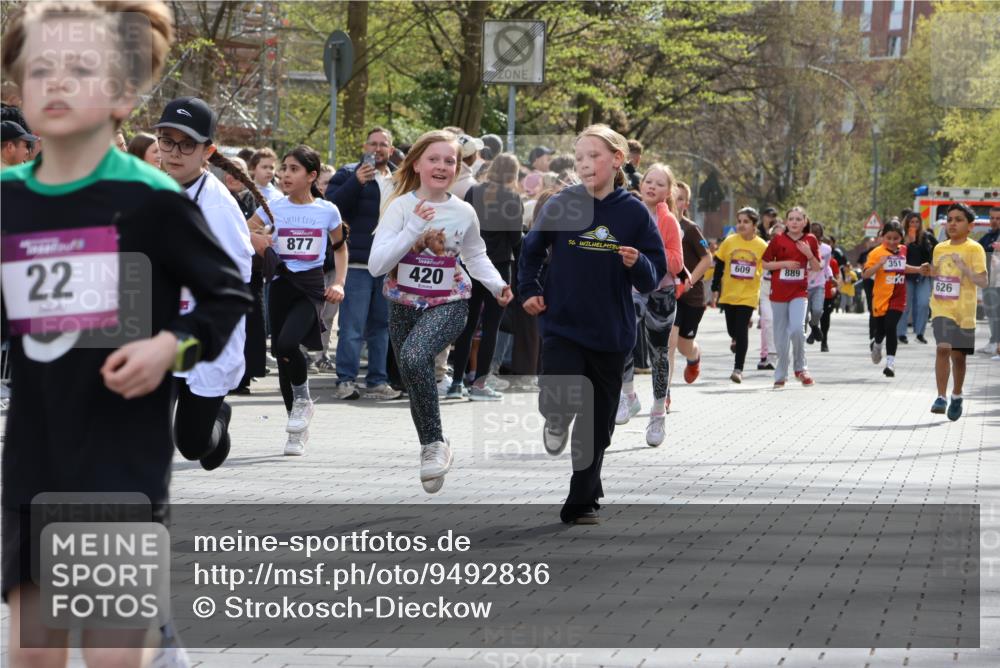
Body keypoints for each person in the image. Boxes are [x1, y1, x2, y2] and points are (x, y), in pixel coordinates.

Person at [0, 3, 251, 665]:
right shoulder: (8, 199)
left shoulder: (150, 200)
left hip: (119, 464)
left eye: (79, 69)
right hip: (33, 462)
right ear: (17, 88)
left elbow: (228, 297)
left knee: (112, 658)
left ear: (121, 93)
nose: (56, 83)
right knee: (32, 657)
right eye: (40, 69)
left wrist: (171, 345)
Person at [519, 124, 666, 524]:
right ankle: (555, 416)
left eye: (594, 156)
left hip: (610, 331)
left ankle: (582, 500)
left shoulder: (633, 211)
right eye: (579, 157)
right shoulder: (563, 202)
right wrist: (528, 289)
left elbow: (655, 275)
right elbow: (531, 250)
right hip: (563, 323)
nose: (584, 164)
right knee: (560, 393)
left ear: (617, 160)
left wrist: (640, 263)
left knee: (599, 426)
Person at [369, 130, 513, 493]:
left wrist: (497, 285)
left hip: (450, 303)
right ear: (417, 164)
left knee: (416, 356)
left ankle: (434, 444)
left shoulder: (463, 211)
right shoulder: (400, 207)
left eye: (450, 161)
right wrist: (413, 228)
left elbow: (475, 255)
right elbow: (376, 265)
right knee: (413, 376)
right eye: (434, 159)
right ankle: (433, 448)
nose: (442, 166)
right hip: (403, 305)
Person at [154, 96, 259, 469]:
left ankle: (218, 416)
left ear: (207, 151)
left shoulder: (217, 206)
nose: (175, 152)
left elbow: (238, 276)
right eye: (168, 140)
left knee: (195, 447)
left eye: (187, 144)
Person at [246, 146, 348, 454]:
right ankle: (295, 430)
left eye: (293, 169)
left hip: (310, 286)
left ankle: (303, 400)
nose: (285, 174)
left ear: (311, 175)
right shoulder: (272, 205)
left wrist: (340, 283)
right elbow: (244, 229)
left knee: (289, 344)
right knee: (282, 353)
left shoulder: (327, 210)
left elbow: (341, 248)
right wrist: (260, 241)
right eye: (284, 168)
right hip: (279, 284)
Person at [326, 127, 400, 400]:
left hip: (388, 263)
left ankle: (377, 381)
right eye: (373, 144)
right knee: (352, 327)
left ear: (391, 150)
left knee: (381, 327)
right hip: (357, 262)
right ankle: (345, 380)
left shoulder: (400, 179)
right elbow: (331, 209)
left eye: (383, 145)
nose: (377, 149)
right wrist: (356, 182)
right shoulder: (347, 174)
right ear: (364, 146)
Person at [615, 164, 683, 447]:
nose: (652, 186)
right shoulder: (628, 212)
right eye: (648, 181)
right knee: (623, 339)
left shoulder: (668, 221)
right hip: (633, 289)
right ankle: (628, 396)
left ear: (668, 192)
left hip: (661, 292)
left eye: (659, 183)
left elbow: (677, 263)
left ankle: (658, 414)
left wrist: (645, 256)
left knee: (658, 354)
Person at [450, 153, 523, 400]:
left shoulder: (474, 192)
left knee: (467, 326)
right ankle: (479, 384)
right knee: (491, 328)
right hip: (499, 266)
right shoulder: (512, 198)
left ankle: (455, 383)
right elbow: (515, 239)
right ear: (513, 174)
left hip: (471, 264)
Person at [922, 203, 988, 419]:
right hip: (941, 306)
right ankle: (941, 397)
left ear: (970, 226)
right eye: (949, 219)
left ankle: (957, 395)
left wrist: (964, 268)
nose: (952, 223)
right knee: (943, 348)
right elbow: (938, 274)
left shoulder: (974, 248)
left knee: (959, 358)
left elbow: (983, 281)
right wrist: (928, 271)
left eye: (958, 219)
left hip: (965, 312)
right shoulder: (939, 248)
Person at [761, 206, 821, 388]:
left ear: (805, 222)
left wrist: (808, 254)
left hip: (799, 292)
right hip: (778, 293)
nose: (794, 222)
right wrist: (784, 263)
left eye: (798, 219)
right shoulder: (778, 240)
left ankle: (800, 368)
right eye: (791, 219)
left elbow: (817, 267)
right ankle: (781, 374)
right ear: (786, 222)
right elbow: (764, 264)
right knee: (780, 336)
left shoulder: (810, 240)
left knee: (796, 328)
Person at [666, 181, 713, 404]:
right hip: (668, 295)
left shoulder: (690, 228)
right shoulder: (660, 224)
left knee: (685, 346)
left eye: (683, 198)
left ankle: (694, 358)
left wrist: (689, 280)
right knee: (669, 345)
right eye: (675, 196)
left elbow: (708, 259)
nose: (679, 202)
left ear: (687, 203)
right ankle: (664, 394)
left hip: (691, 298)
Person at [711, 207, 769, 382]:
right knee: (732, 329)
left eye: (746, 222)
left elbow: (769, 265)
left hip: (748, 295)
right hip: (729, 293)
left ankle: (738, 369)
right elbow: (720, 263)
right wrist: (715, 285)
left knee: (742, 330)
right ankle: (734, 337)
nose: (741, 225)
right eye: (739, 221)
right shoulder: (729, 241)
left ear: (754, 225)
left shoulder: (761, 246)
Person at [862, 220, 922, 377]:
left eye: (895, 238)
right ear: (882, 237)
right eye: (888, 238)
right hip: (881, 297)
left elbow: (903, 267)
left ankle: (890, 363)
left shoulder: (903, 250)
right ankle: (876, 344)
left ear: (901, 238)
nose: (892, 241)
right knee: (880, 329)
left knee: (890, 327)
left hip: (898, 296)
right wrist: (879, 265)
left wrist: (919, 269)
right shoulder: (876, 253)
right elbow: (865, 274)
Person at [897, 212, 937, 345]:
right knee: (905, 305)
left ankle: (920, 333)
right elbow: (895, 253)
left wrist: (933, 265)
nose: (914, 225)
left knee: (924, 303)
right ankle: (901, 333)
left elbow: (937, 249)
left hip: (923, 275)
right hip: (906, 275)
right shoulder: (901, 237)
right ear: (907, 223)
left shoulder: (926, 236)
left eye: (917, 222)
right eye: (911, 222)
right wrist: (907, 242)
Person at [757, 216, 782, 370]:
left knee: (779, 324)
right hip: (766, 289)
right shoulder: (764, 246)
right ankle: (769, 355)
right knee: (767, 321)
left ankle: (780, 353)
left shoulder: (790, 249)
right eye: (774, 236)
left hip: (783, 290)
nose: (777, 239)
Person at [978, 206, 1000, 358]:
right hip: (989, 280)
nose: (994, 221)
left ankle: (996, 343)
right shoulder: (989, 236)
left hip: (997, 281)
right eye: (992, 218)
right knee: (991, 312)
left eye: (998, 218)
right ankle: (993, 342)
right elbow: (979, 248)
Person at [805, 221, 832, 344]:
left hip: (818, 285)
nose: (814, 235)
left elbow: (826, 266)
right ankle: (805, 336)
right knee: (803, 317)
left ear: (821, 234)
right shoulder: (803, 246)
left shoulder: (826, 249)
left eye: (817, 232)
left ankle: (814, 324)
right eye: (812, 232)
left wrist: (830, 276)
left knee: (817, 311)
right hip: (803, 285)